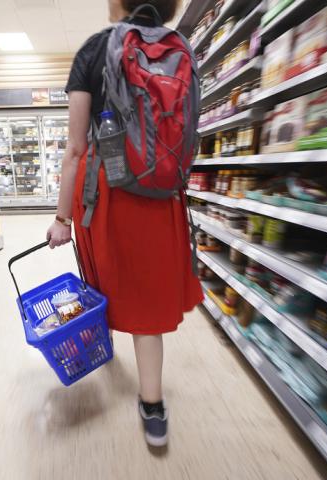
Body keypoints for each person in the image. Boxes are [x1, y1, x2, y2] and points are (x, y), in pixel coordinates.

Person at [46, 0, 203, 447]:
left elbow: (76, 148)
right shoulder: (183, 50)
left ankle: (104, 347)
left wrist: (61, 218)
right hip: (160, 194)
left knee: (104, 281)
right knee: (148, 299)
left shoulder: (94, 50)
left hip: (106, 192)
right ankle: (153, 407)